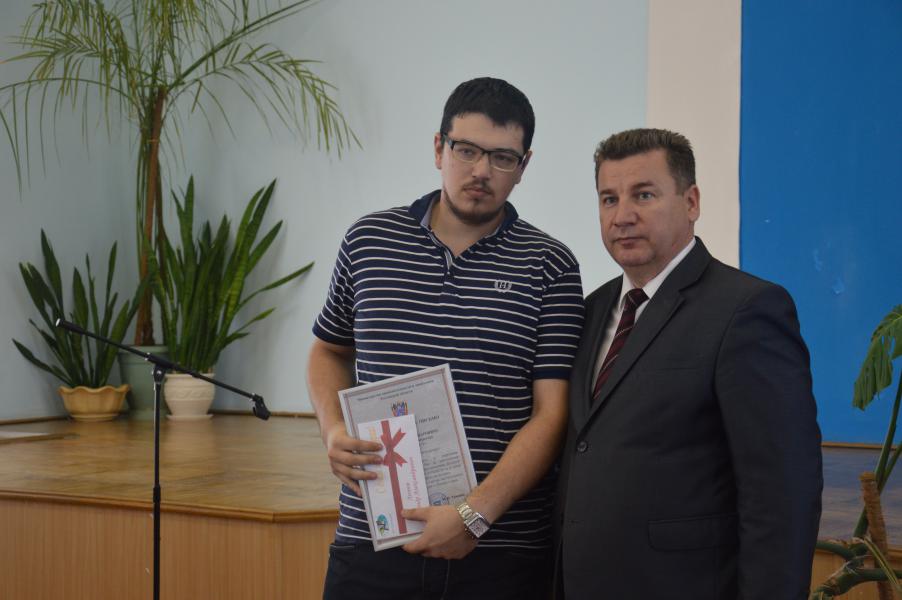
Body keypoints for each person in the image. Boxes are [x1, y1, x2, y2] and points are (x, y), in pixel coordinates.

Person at [307, 77, 584, 600]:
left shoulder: (549, 265)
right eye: (467, 150)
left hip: (501, 552)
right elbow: (328, 349)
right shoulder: (369, 241)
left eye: (503, 158)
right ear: (439, 148)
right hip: (373, 537)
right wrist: (332, 430)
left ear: (523, 166)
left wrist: (473, 516)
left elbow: (551, 415)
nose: (482, 171)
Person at [555, 128, 823, 599]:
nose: (622, 216)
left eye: (644, 195)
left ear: (691, 202)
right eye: (609, 199)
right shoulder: (592, 311)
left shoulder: (747, 310)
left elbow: (782, 496)